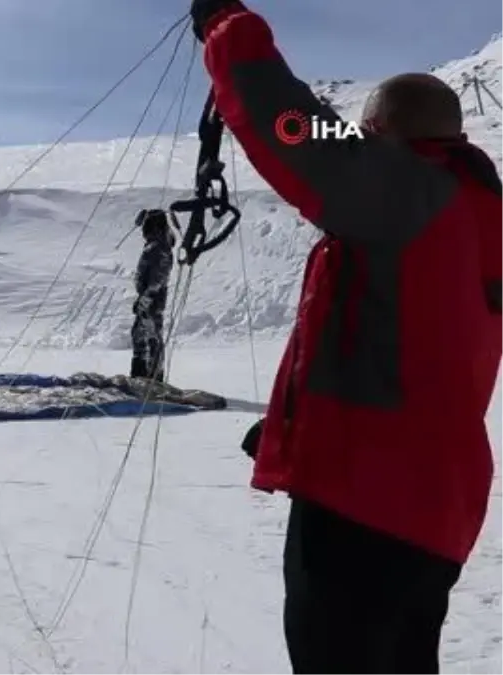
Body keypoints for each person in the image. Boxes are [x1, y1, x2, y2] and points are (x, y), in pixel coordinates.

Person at [192, 1, 503, 673]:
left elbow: (290, 124)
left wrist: (225, 25)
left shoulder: (411, 193)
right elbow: (407, 347)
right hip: (436, 511)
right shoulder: (476, 216)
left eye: (363, 131)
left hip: (368, 501)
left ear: (383, 131)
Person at [129, 209, 174, 381]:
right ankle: (140, 374)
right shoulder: (154, 246)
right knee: (139, 334)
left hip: (152, 302)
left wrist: (146, 299)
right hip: (147, 299)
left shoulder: (159, 248)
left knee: (151, 337)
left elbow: (158, 278)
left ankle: (153, 378)